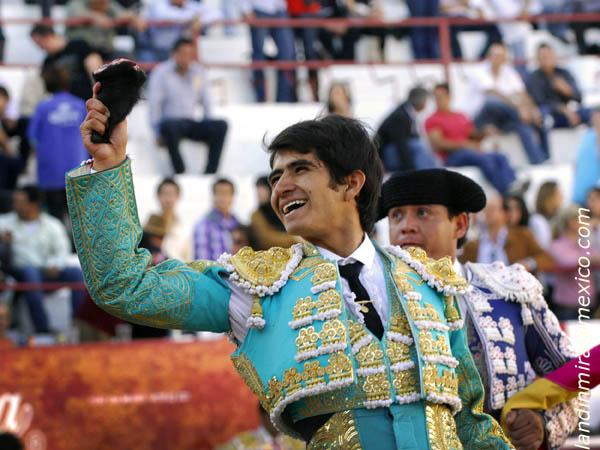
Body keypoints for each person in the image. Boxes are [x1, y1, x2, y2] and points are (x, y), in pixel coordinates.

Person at [68, 93, 514, 448]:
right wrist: (107, 167)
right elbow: (127, 286)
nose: (281, 187)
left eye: (300, 169)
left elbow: (470, 423)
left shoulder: (429, 280)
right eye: (275, 176)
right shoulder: (256, 288)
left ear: (352, 183)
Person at [380, 168, 578, 450]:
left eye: (422, 213)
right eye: (396, 215)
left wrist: (543, 424)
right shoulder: (374, 300)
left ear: (460, 225)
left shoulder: (509, 288)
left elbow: (572, 375)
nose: (406, 226)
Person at [0, 186, 84, 333]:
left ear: (34, 205)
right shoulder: (4, 223)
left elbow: (62, 251)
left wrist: (56, 265)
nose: (15, 205)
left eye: (20, 202)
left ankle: (78, 325)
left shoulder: (52, 224)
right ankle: (42, 329)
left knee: (76, 273)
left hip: (46, 271)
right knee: (30, 272)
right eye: (15, 201)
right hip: (18, 272)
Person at [148, 38, 228, 174]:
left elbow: (206, 101)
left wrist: (208, 125)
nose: (186, 58)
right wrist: (156, 132)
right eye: (183, 54)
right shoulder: (161, 72)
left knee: (221, 126)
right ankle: (180, 172)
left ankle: (210, 173)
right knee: (169, 126)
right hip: (171, 124)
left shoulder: (198, 72)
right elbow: (154, 104)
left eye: (190, 54)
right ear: (174, 54)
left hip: (191, 122)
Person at [425, 83, 517, 195]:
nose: (438, 100)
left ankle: (513, 187)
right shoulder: (432, 119)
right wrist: (464, 144)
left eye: (440, 96)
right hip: (452, 156)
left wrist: (485, 133)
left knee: (500, 157)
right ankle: (506, 193)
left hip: (469, 152)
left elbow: (473, 136)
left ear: (449, 96)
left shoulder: (460, 115)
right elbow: (438, 144)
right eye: (436, 97)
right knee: (483, 159)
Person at [27, 64, 89, 224]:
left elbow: (32, 137)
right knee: (80, 223)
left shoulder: (43, 107)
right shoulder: (81, 105)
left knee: (55, 221)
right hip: (78, 172)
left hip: (50, 172)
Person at [471, 43, 547, 164]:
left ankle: (540, 161)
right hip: (482, 118)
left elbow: (522, 94)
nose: (498, 59)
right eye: (495, 55)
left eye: (501, 56)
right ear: (488, 56)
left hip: (505, 117)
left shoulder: (508, 72)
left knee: (526, 126)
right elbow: (492, 93)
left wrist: (532, 109)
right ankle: (521, 117)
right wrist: (518, 108)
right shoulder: (478, 70)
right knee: (492, 102)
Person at [460, 194, 555, 273]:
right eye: (485, 209)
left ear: (505, 213)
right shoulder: (473, 245)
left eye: (492, 209)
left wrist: (528, 264)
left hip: (514, 292)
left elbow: (547, 259)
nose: (487, 213)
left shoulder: (522, 235)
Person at [549, 205, 600, 321]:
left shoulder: (585, 244)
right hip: (567, 309)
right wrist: (592, 259)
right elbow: (568, 262)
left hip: (588, 307)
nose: (587, 223)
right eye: (583, 219)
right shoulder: (557, 245)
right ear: (571, 222)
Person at [30, 23, 103, 101]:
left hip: (87, 98)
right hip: (66, 104)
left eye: (41, 43)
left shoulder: (79, 45)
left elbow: (94, 63)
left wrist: (97, 92)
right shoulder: (48, 62)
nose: (42, 48)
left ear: (50, 36)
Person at [526, 43, 592, 129]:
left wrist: (567, 90)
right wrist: (563, 109)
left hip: (571, 111)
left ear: (554, 57)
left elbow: (579, 98)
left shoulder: (564, 73)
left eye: (549, 55)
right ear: (538, 59)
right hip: (551, 114)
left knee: (594, 114)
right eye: (543, 57)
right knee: (544, 116)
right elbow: (540, 101)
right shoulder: (534, 78)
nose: (546, 59)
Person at [241, 0, 296, 102]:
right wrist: (246, 8)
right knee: (258, 56)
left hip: (280, 9)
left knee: (287, 55)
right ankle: (260, 97)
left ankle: (284, 99)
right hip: (258, 9)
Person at [376, 85, 438, 172]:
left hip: (395, 152)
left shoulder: (407, 112)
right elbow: (401, 145)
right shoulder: (400, 117)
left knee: (424, 150)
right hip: (387, 155)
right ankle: (424, 173)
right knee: (416, 145)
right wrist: (410, 170)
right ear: (422, 102)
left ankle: (431, 172)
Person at [65, 0, 146, 59]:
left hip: (106, 51)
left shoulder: (109, 4)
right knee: (92, 58)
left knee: (127, 59)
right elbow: (78, 14)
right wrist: (95, 17)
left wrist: (135, 17)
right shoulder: (76, 3)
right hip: (81, 53)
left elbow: (122, 13)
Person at [216, 404, 305, 449]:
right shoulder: (240, 443)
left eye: (283, 416)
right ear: (263, 417)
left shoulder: (297, 442)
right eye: (276, 417)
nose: (280, 421)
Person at [192, 178, 239, 261]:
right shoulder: (203, 226)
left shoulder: (238, 224)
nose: (222, 197)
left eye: (226, 193)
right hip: (214, 273)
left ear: (232, 196)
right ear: (213, 196)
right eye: (218, 193)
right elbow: (203, 263)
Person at [250, 176, 300, 250]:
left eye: (263, 189)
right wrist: (294, 239)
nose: (259, 193)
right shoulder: (257, 215)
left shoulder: (283, 210)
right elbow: (266, 239)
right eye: (258, 189)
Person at [151, 178, 191, 261]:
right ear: (158, 196)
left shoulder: (185, 230)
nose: (168, 199)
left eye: (171, 194)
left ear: (178, 197)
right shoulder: (149, 227)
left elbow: (189, 260)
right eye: (165, 193)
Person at [573, 109, 600, 207]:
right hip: (578, 193)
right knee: (581, 221)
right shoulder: (587, 134)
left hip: (594, 196)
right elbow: (577, 160)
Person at [529, 180, 563, 250]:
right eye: (558, 193)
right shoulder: (538, 220)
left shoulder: (557, 216)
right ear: (549, 197)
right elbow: (545, 247)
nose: (562, 196)